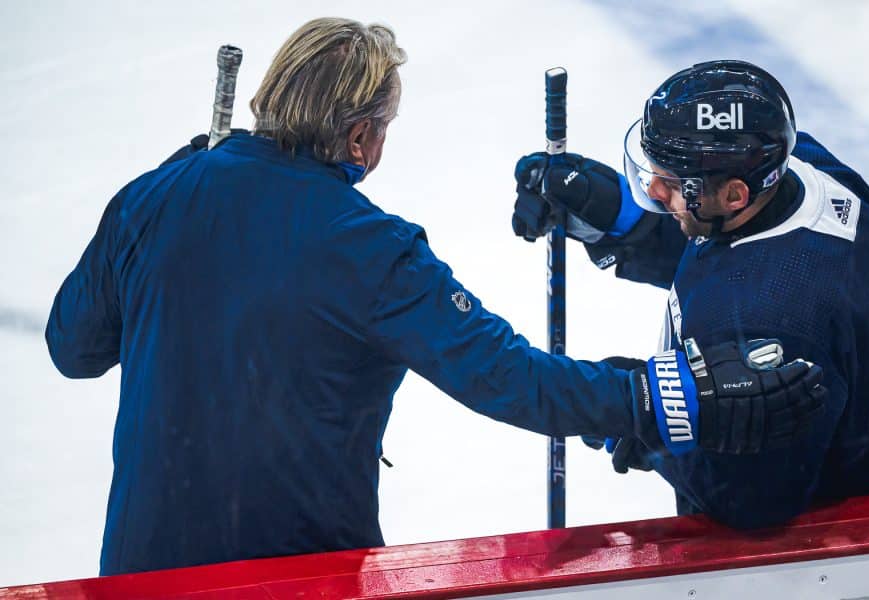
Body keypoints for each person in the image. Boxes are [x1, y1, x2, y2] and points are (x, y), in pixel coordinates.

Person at [45, 24, 825, 575]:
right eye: (383, 126)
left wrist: (161, 198)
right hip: (298, 570)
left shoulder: (153, 196)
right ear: (359, 140)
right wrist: (663, 397)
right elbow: (510, 380)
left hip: (142, 570)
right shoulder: (369, 247)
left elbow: (72, 347)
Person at [512, 60, 869, 530]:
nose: (651, 189)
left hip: (829, 560)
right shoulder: (805, 169)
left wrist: (641, 417)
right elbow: (740, 255)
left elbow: (751, 501)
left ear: (734, 195)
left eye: (669, 184)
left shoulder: (767, 321)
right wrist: (619, 219)